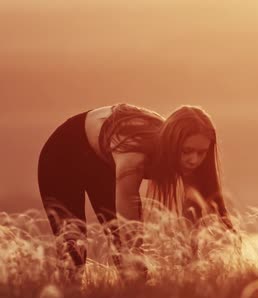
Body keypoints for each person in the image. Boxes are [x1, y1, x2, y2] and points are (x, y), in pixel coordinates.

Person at [38, 103, 234, 280]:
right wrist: (136, 256)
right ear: (173, 143)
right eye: (187, 151)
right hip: (63, 154)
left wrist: (191, 264)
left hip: (103, 161)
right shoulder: (135, 153)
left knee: (126, 259)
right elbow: (128, 220)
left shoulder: (190, 161)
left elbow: (192, 216)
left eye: (201, 152)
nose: (194, 159)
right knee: (75, 249)